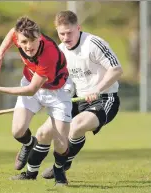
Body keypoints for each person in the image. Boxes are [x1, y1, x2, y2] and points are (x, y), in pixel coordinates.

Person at [16, 10, 123, 180]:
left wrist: (97, 89)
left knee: (76, 126)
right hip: (75, 98)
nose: (65, 37)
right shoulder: (58, 51)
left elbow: (117, 69)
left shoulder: (94, 44)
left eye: (69, 32)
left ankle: (63, 164)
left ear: (78, 28)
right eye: (61, 33)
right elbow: (60, 81)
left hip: (104, 98)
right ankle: (30, 174)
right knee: (43, 133)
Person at [0, 16, 73, 185]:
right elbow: (11, 33)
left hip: (57, 92)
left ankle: (60, 172)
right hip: (30, 81)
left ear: (39, 37)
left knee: (60, 142)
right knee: (17, 131)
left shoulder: (49, 54)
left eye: (32, 41)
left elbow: (31, 90)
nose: (28, 46)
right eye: (23, 42)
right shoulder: (18, 35)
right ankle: (30, 144)